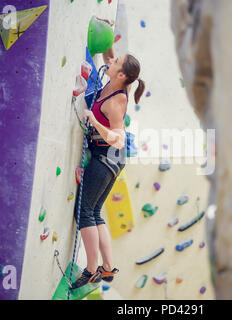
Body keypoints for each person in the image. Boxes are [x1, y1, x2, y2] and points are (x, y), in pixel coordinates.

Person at [71, 33, 145, 289]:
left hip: (108, 157)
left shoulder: (117, 100)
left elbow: (118, 139)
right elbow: (109, 54)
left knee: (84, 212)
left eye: (117, 62)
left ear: (121, 75)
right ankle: (107, 268)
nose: (111, 61)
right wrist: (105, 36)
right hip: (110, 159)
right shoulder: (116, 80)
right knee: (95, 212)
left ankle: (91, 269)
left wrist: (93, 121)